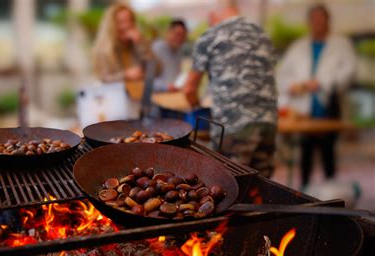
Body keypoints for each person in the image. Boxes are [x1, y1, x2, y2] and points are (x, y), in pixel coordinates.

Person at [183, 1, 278, 178]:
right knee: (263, 190)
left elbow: (189, 89)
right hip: (268, 124)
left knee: (229, 189)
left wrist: (196, 108)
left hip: (233, 128)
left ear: (212, 16)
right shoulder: (262, 34)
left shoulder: (210, 36)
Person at [277, 4, 356, 187]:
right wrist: (294, 86)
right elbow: (283, 74)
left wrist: (322, 82)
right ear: (309, 22)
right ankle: (304, 190)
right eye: (314, 19)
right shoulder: (299, 46)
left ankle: (332, 190)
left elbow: (349, 71)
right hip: (303, 108)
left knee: (328, 151)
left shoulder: (341, 44)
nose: (317, 22)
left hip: (329, 105)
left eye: (321, 19)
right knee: (306, 150)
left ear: (328, 20)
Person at [92, 3, 157, 83]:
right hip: (116, 94)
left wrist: (141, 44)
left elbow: (157, 70)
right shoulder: (104, 50)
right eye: (121, 21)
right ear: (111, 25)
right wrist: (125, 75)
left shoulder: (138, 43)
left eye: (130, 20)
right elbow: (103, 79)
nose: (126, 25)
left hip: (141, 93)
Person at [152, 19, 188, 92]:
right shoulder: (157, 48)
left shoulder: (179, 50)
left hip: (172, 95)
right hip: (158, 96)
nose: (179, 38)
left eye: (182, 35)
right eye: (177, 34)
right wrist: (166, 87)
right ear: (168, 32)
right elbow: (147, 80)